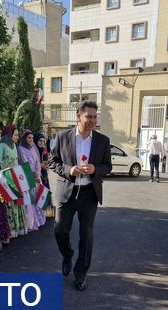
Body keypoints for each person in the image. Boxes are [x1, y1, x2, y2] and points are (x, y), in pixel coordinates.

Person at [48, 100, 112, 291]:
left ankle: (81, 273)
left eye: (95, 117)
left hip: (88, 194)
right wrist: (70, 170)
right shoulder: (62, 137)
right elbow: (52, 161)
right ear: (78, 116)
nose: (92, 120)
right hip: (66, 191)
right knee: (60, 231)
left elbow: (107, 167)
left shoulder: (102, 141)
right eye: (88, 117)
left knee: (87, 235)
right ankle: (67, 255)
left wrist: (95, 169)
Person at [0, 124, 27, 238]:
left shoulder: (14, 145)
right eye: (15, 135)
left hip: (15, 177)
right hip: (6, 178)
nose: (17, 137)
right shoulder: (1, 146)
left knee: (17, 203)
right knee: (9, 204)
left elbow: (16, 162)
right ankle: (11, 229)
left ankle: (18, 228)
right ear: (9, 135)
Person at [17, 129, 46, 231]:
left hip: (36, 176)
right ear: (24, 138)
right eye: (29, 138)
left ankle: (38, 220)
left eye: (32, 138)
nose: (31, 140)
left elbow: (37, 161)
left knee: (37, 198)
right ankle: (29, 223)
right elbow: (24, 163)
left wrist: (38, 174)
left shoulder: (32, 148)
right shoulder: (20, 148)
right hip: (26, 177)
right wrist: (34, 174)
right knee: (28, 201)